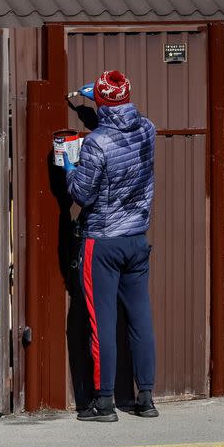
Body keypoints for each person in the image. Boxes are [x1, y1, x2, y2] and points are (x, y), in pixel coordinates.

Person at [63, 70, 158, 422]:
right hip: (136, 239)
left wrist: (70, 165)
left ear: (101, 100)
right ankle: (145, 399)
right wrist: (102, 102)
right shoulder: (147, 129)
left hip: (102, 242)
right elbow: (125, 127)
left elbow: (81, 194)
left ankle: (103, 403)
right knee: (140, 319)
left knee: (101, 322)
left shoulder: (96, 143)